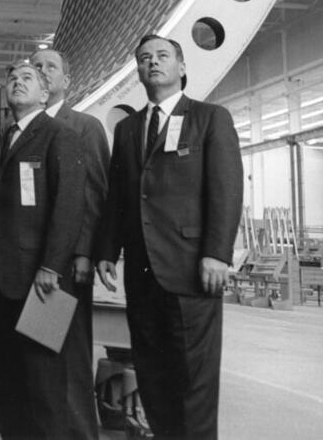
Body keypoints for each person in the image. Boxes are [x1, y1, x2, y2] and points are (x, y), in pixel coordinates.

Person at [96, 34, 243, 440]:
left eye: (162, 55)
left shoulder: (209, 118)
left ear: (181, 67)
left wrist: (217, 253)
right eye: (145, 58)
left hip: (191, 270)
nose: (153, 62)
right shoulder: (128, 129)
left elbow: (226, 189)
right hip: (142, 275)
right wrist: (107, 249)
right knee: (153, 378)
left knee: (193, 382)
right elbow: (118, 196)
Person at [0, 60, 95, 439]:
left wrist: (51, 266)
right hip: (6, 277)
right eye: (12, 78)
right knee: (10, 379)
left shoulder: (60, 135)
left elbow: (69, 206)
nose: (17, 82)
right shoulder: (6, 138)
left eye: (27, 78)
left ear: (45, 93)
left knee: (45, 380)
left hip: (45, 281)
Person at [31, 49, 110, 366]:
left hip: (66, 258)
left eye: (51, 66)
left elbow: (94, 193)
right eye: (36, 66)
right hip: (27, 255)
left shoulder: (84, 126)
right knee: (36, 347)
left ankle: (73, 402)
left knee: (64, 348)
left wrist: (84, 251)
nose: (42, 70)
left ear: (66, 81)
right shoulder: (19, 127)